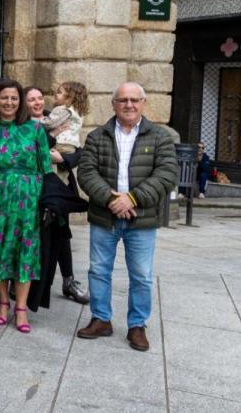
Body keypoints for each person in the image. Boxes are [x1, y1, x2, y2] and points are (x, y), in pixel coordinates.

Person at [76, 82, 178, 352]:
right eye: (123, 100)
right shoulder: (97, 136)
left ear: (144, 103)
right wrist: (112, 200)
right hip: (104, 215)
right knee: (99, 270)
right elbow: (86, 173)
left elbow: (167, 174)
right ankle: (101, 319)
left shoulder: (160, 137)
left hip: (141, 218)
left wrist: (132, 198)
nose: (129, 105)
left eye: (134, 100)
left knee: (142, 275)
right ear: (114, 104)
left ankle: (137, 325)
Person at [0, 79, 51, 334]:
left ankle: (21, 308)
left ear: (21, 103)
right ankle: (3, 303)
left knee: (24, 251)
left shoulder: (35, 130)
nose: (9, 102)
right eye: (4, 98)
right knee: (0, 250)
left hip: (29, 199)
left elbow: (45, 167)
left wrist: (45, 202)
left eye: (14, 98)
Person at [25, 86, 90, 306]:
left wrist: (63, 159)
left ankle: (68, 281)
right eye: (31, 99)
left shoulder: (56, 117)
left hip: (60, 184)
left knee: (62, 231)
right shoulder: (25, 126)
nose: (37, 102)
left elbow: (79, 150)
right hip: (35, 189)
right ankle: (29, 283)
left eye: (40, 98)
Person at [41, 81, 89, 184]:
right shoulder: (77, 112)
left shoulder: (64, 110)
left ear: (69, 97)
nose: (55, 94)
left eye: (59, 92)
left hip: (61, 143)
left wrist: (40, 121)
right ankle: (62, 184)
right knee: (63, 173)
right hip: (70, 146)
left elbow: (50, 123)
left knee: (44, 156)